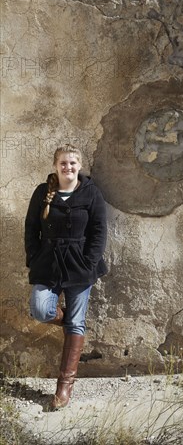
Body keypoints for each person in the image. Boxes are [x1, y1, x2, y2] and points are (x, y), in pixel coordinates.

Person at [24, 144, 107, 409]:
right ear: (55, 166)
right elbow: (31, 229)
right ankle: (72, 324)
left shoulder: (91, 193)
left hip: (80, 267)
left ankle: (64, 386)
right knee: (40, 310)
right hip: (48, 264)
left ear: (79, 165)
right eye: (63, 163)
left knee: (76, 323)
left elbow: (98, 232)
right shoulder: (42, 192)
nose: (68, 167)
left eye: (72, 163)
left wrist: (89, 262)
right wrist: (33, 258)